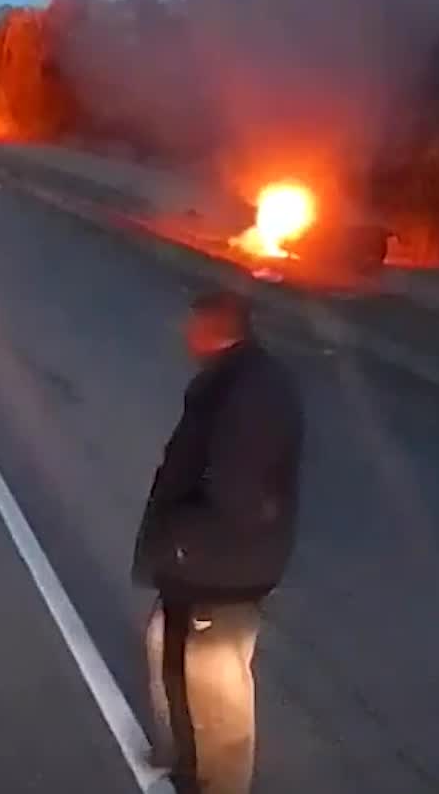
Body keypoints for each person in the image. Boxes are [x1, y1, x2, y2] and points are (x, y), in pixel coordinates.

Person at [131, 290, 304, 794]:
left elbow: (239, 494)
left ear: (216, 328)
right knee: (166, 646)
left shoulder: (251, 393)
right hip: (201, 561)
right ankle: (182, 758)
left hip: (225, 569)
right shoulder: (231, 379)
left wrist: (184, 541)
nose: (185, 334)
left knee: (217, 684)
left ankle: (220, 783)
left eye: (192, 324)